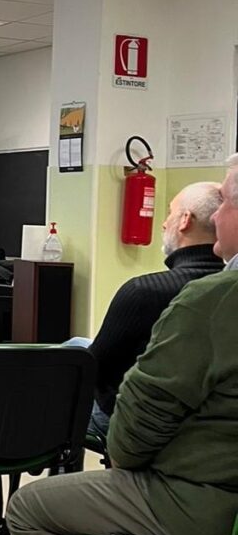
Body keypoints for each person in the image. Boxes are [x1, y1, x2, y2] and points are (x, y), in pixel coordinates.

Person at [6, 154, 238, 535]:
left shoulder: (213, 301)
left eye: (231, 202)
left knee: (32, 509)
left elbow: (131, 433)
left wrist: (135, 457)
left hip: (209, 514)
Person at [70, 181, 222, 439]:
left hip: (136, 418)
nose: (164, 223)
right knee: (75, 343)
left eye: (170, 213)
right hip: (205, 419)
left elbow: (95, 365)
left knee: (69, 362)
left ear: (185, 220)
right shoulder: (227, 287)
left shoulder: (145, 291)